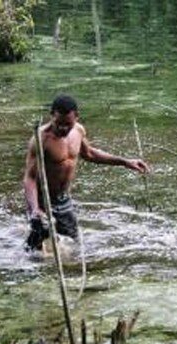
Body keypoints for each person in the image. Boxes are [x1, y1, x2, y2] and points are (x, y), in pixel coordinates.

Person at [23, 95, 150, 252]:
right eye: (58, 124)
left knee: (74, 243)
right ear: (51, 116)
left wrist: (124, 161)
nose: (63, 128)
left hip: (63, 199)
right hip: (43, 201)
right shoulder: (41, 139)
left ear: (76, 117)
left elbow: (89, 154)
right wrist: (35, 209)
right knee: (34, 251)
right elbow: (30, 178)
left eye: (68, 124)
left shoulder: (78, 131)